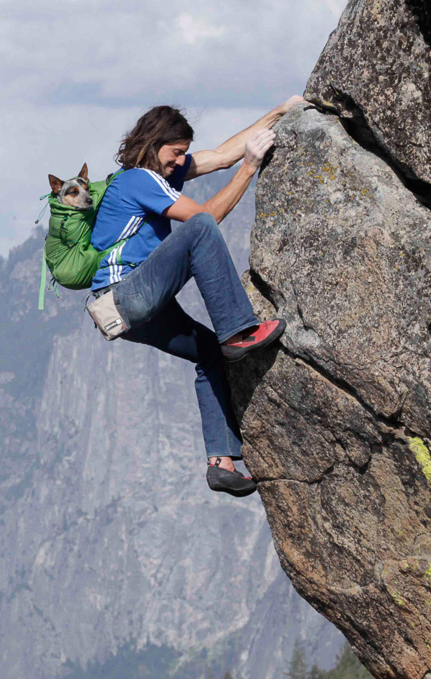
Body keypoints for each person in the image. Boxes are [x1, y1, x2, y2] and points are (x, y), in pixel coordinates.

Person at [89, 97, 303, 497]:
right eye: (175, 153)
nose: (179, 161)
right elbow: (206, 217)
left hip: (122, 313)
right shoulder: (138, 178)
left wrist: (278, 112)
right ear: (153, 146)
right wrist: (251, 168)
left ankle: (221, 462)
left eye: (184, 154)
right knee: (201, 227)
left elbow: (222, 155)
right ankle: (239, 331)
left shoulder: (159, 175)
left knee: (208, 353)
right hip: (124, 294)